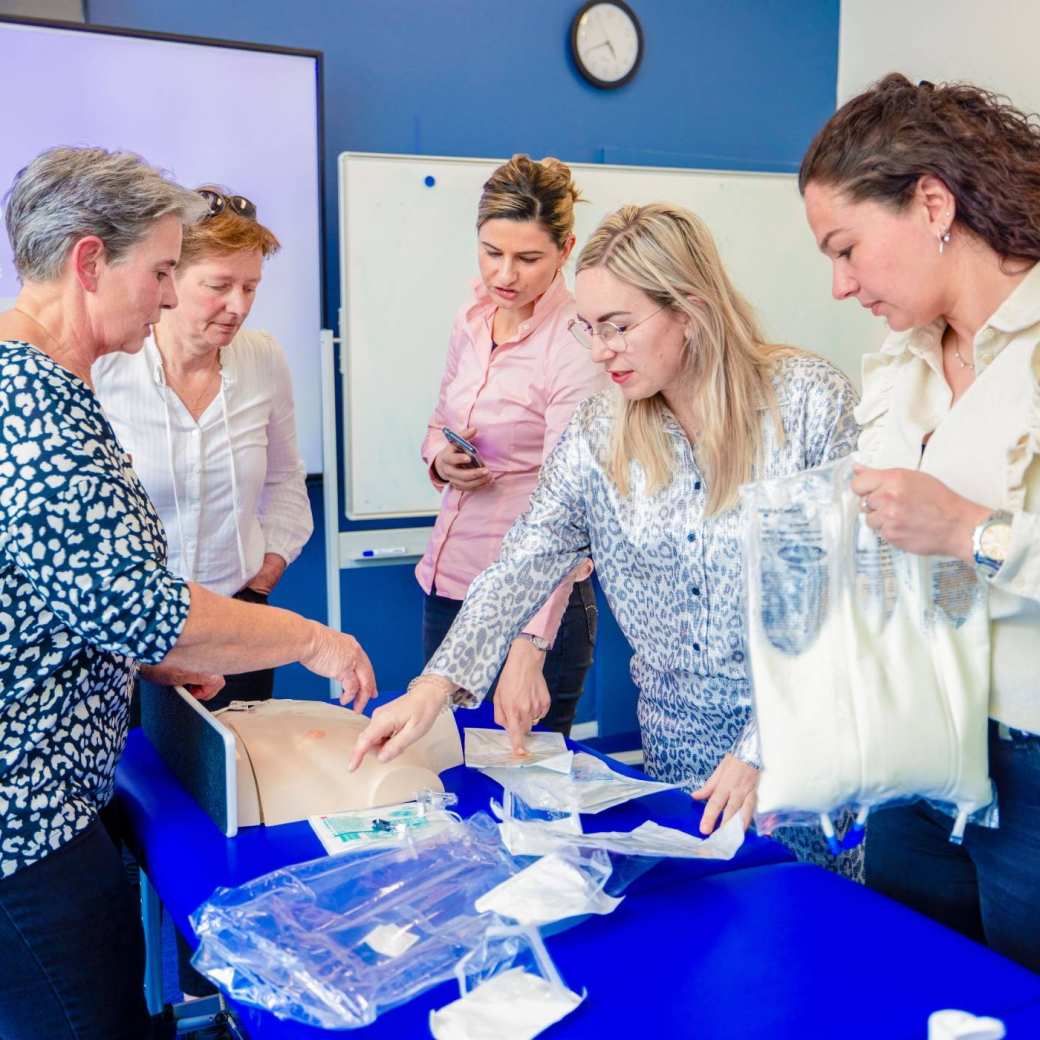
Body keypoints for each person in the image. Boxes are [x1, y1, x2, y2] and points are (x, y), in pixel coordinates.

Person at [350, 202, 861, 874]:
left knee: (817, 930)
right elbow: (524, 560)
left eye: (618, 327)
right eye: (588, 329)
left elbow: (846, 599)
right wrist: (433, 685)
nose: (600, 352)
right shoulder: (600, 432)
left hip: (812, 737)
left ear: (691, 308)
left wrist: (764, 747)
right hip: (680, 745)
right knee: (708, 927)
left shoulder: (808, 401)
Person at [0, 146, 375, 1040]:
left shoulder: (47, 386)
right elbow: (140, 599)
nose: (172, 297)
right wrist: (311, 640)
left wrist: (160, 653)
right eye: (165, 272)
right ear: (91, 262)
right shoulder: (36, 405)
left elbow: (81, 592)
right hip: (28, 829)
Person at [800, 72, 1040, 972]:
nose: (838, 284)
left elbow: (953, 533)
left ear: (931, 202)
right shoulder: (895, 366)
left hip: (1032, 764)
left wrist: (972, 531)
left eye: (847, 248)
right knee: (905, 979)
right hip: (914, 748)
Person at [94, 186, 311, 711]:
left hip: (235, 632)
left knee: (232, 785)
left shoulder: (263, 359)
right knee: (136, 786)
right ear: (167, 278)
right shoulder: (106, 366)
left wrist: (261, 580)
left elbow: (286, 481)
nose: (238, 307)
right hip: (129, 638)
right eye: (219, 285)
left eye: (251, 288)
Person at [418, 154, 606, 748]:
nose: (505, 274)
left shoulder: (575, 343)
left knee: (526, 789)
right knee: (452, 772)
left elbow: (569, 510)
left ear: (565, 248)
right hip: (449, 586)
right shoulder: (470, 319)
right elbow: (439, 421)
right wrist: (439, 460)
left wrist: (530, 643)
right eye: (491, 251)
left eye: (528, 258)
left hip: (533, 604)